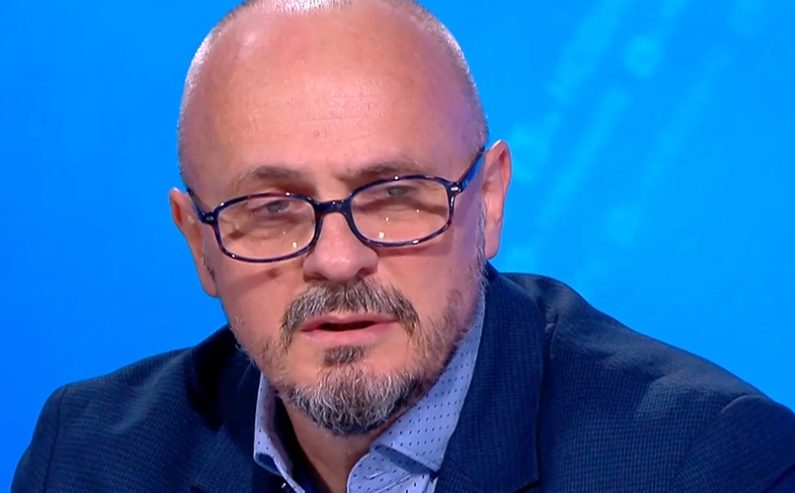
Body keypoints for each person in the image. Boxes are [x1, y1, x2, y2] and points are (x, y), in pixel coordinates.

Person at [13, 0, 795, 491]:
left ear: (486, 202)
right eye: (271, 208)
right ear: (199, 243)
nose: (336, 259)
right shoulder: (87, 455)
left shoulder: (705, 461)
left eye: (391, 195)